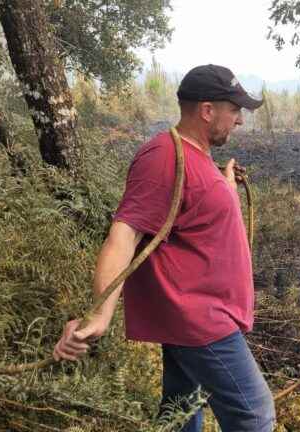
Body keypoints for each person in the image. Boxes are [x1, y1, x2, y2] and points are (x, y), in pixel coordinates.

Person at [53, 64, 275, 432]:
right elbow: (124, 236)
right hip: (200, 319)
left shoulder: (195, 156)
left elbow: (194, 211)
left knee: (182, 408)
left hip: (194, 316)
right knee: (255, 414)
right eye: (234, 110)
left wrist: (225, 189)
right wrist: (99, 314)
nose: (239, 121)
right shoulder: (163, 158)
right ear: (207, 111)